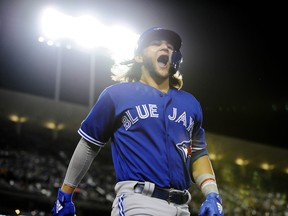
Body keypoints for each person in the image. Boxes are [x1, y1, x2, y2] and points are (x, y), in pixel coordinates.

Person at [51, 27, 224, 216]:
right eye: (156, 44)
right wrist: (64, 196)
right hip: (138, 202)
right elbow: (89, 145)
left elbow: (198, 154)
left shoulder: (190, 104)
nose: (165, 48)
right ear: (139, 57)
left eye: (170, 46)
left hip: (182, 207)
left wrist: (212, 194)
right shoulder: (116, 95)